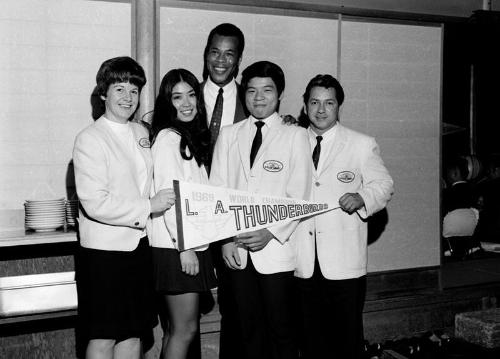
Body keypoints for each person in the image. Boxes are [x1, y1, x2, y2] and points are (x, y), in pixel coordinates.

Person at [73, 56, 175, 359]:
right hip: (103, 256)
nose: (128, 98)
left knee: (133, 334)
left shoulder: (141, 133)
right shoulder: (90, 139)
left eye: (134, 90)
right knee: (103, 336)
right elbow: (95, 202)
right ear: (104, 93)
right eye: (119, 89)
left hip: (137, 249)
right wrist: (148, 206)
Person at [210, 60, 312, 359]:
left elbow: (299, 196)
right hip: (237, 250)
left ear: (279, 94)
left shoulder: (296, 136)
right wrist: (226, 239)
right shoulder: (229, 134)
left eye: (267, 90)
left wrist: (269, 231)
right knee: (245, 330)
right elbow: (218, 191)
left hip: (276, 252)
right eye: (251, 90)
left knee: (281, 332)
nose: (258, 97)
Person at [293, 74, 394, 359]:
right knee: (309, 341)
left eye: (329, 103)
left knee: (346, 341)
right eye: (314, 102)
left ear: (339, 107)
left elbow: (384, 185)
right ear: (304, 105)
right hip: (302, 262)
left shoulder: (360, 144)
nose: (321, 110)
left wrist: (362, 197)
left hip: (343, 264)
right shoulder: (292, 141)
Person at [149, 69, 218, 359]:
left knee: (177, 331)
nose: (187, 103)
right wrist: (185, 248)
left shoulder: (183, 137)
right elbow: (170, 199)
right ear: (167, 103)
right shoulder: (168, 139)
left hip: (185, 245)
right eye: (177, 97)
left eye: (191, 95)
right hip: (178, 247)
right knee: (184, 330)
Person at [201, 22, 248, 359]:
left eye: (229, 54)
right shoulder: (185, 93)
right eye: (215, 52)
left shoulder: (253, 99)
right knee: (185, 315)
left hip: (232, 220)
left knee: (237, 307)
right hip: (191, 217)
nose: (221, 60)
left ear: (239, 60)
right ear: (206, 54)